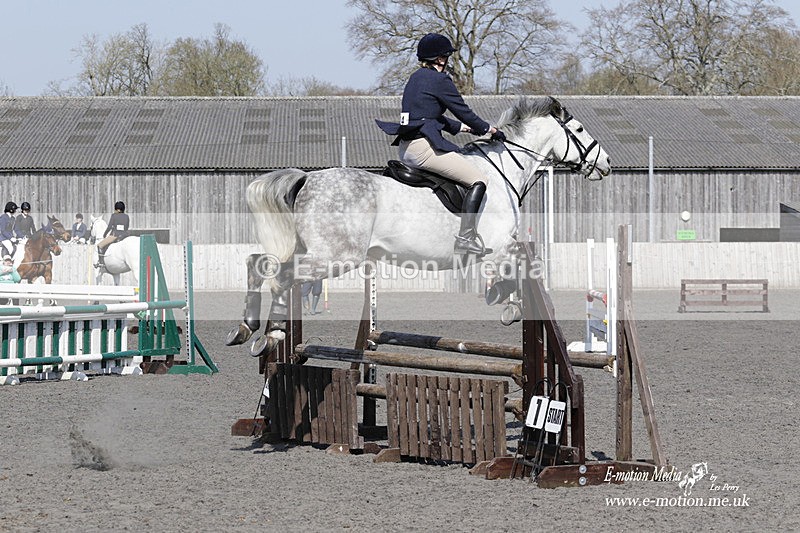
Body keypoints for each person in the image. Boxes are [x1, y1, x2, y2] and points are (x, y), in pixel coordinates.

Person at [376, 33, 506, 257]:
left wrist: (463, 129)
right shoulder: (439, 80)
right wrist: (488, 129)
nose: (448, 61)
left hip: (407, 147)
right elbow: (463, 110)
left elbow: (428, 115)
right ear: (440, 59)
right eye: (447, 57)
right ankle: (466, 238)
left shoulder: (416, 78)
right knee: (479, 179)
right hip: (424, 149)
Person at [96, 201, 129, 268]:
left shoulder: (114, 215)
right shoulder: (126, 216)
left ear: (117, 209)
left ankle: (101, 262)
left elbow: (109, 226)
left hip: (115, 235)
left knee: (100, 245)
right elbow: (126, 227)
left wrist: (104, 234)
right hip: (125, 235)